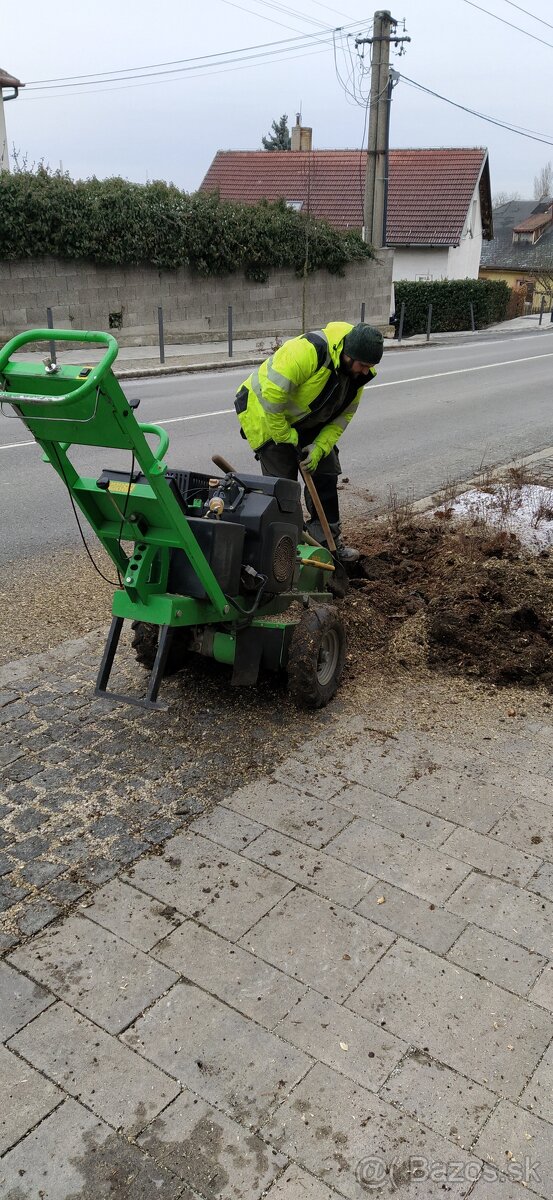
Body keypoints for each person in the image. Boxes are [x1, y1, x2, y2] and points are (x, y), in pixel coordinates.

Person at [234, 320, 384, 562]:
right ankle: (283, 554)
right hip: (266, 415)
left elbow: (340, 420)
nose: (366, 371)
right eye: (363, 365)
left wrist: (319, 449)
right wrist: (284, 435)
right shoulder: (309, 350)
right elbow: (271, 396)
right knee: (282, 488)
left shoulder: (357, 378)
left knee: (325, 474)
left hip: (308, 420)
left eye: (370, 366)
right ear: (347, 353)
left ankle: (327, 544)